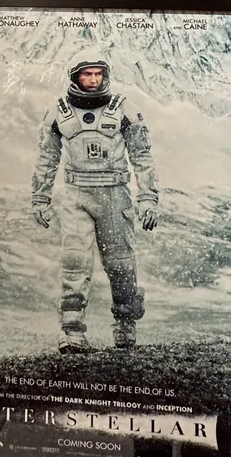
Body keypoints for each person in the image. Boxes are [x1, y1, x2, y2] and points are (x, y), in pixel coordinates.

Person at [31, 55, 159, 352]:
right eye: (86, 75)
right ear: (75, 77)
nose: (92, 80)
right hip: (77, 197)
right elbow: (47, 159)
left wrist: (148, 198)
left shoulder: (125, 110)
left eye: (97, 74)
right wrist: (40, 197)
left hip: (115, 195)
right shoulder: (58, 112)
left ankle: (126, 325)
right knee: (74, 262)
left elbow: (142, 157)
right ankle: (71, 332)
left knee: (121, 265)